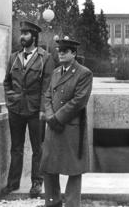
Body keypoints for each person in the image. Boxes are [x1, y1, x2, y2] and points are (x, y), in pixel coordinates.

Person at [2, 21, 54, 197]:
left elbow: (48, 87)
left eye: (25, 33)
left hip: (35, 111)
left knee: (37, 148)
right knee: (16, 147)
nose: (21, 37)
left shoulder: (45, 58)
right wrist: (10, 100)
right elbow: (7, 82)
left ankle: (36, 183)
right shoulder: (14, 57)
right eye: (21, 33)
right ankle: (13, 183)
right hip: (15, 109)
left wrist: (42, 109)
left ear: (34, 36)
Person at [40, 37, 93, 207]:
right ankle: (53, 202)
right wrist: (50, 116)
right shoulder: (56, 72)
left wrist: (57, 118)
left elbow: (79, 100)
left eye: (65, 51)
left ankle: (71, 204)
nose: (60, 54)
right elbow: (47, 95)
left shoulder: (84, 73)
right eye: (59, 51)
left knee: (74, 170)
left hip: (70, 128)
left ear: (74, 53)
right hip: (53, 126)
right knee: (49, 167)